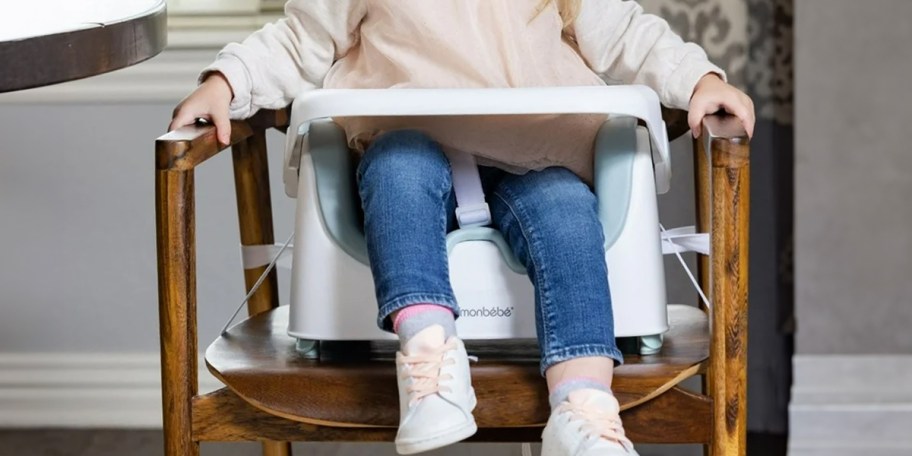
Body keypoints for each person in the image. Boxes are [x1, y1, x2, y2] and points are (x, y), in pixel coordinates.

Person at [170, 1, 755, 454]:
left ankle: (584, 405)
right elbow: (298, 40)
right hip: (408, 144)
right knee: (398, 166)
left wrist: (700, 80)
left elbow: (627, 33)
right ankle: (429, 361)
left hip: (536, 150)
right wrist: (225, 83)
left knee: (565, 209)